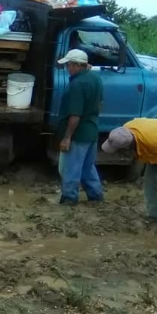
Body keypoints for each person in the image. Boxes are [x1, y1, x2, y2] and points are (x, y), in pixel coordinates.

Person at [55, 48, 104, 205]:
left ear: (77, 65)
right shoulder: (95, 79)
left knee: (71, 169)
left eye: (68, 65)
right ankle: (96, 196)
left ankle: (69, 198)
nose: (67, 68)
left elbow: (75, 115)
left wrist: (67, 138)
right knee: (87, 168)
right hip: (91, 131)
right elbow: (100, 105)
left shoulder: (77, 84)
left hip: (78, 135)